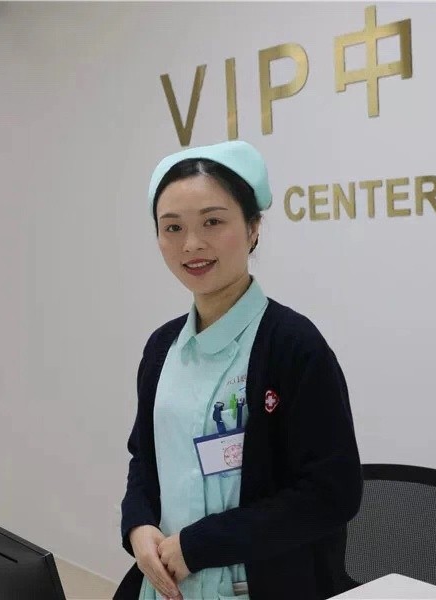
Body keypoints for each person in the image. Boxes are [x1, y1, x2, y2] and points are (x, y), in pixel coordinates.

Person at [115, 140, 363, 600]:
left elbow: (333, 493)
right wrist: (137, 524)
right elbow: (143, 461)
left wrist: (200, 545)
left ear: (252, 228)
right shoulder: (161, 348)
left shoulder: (293, 345)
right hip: (167, 586)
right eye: (173, 227)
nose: (192, 244)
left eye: (212, 221)